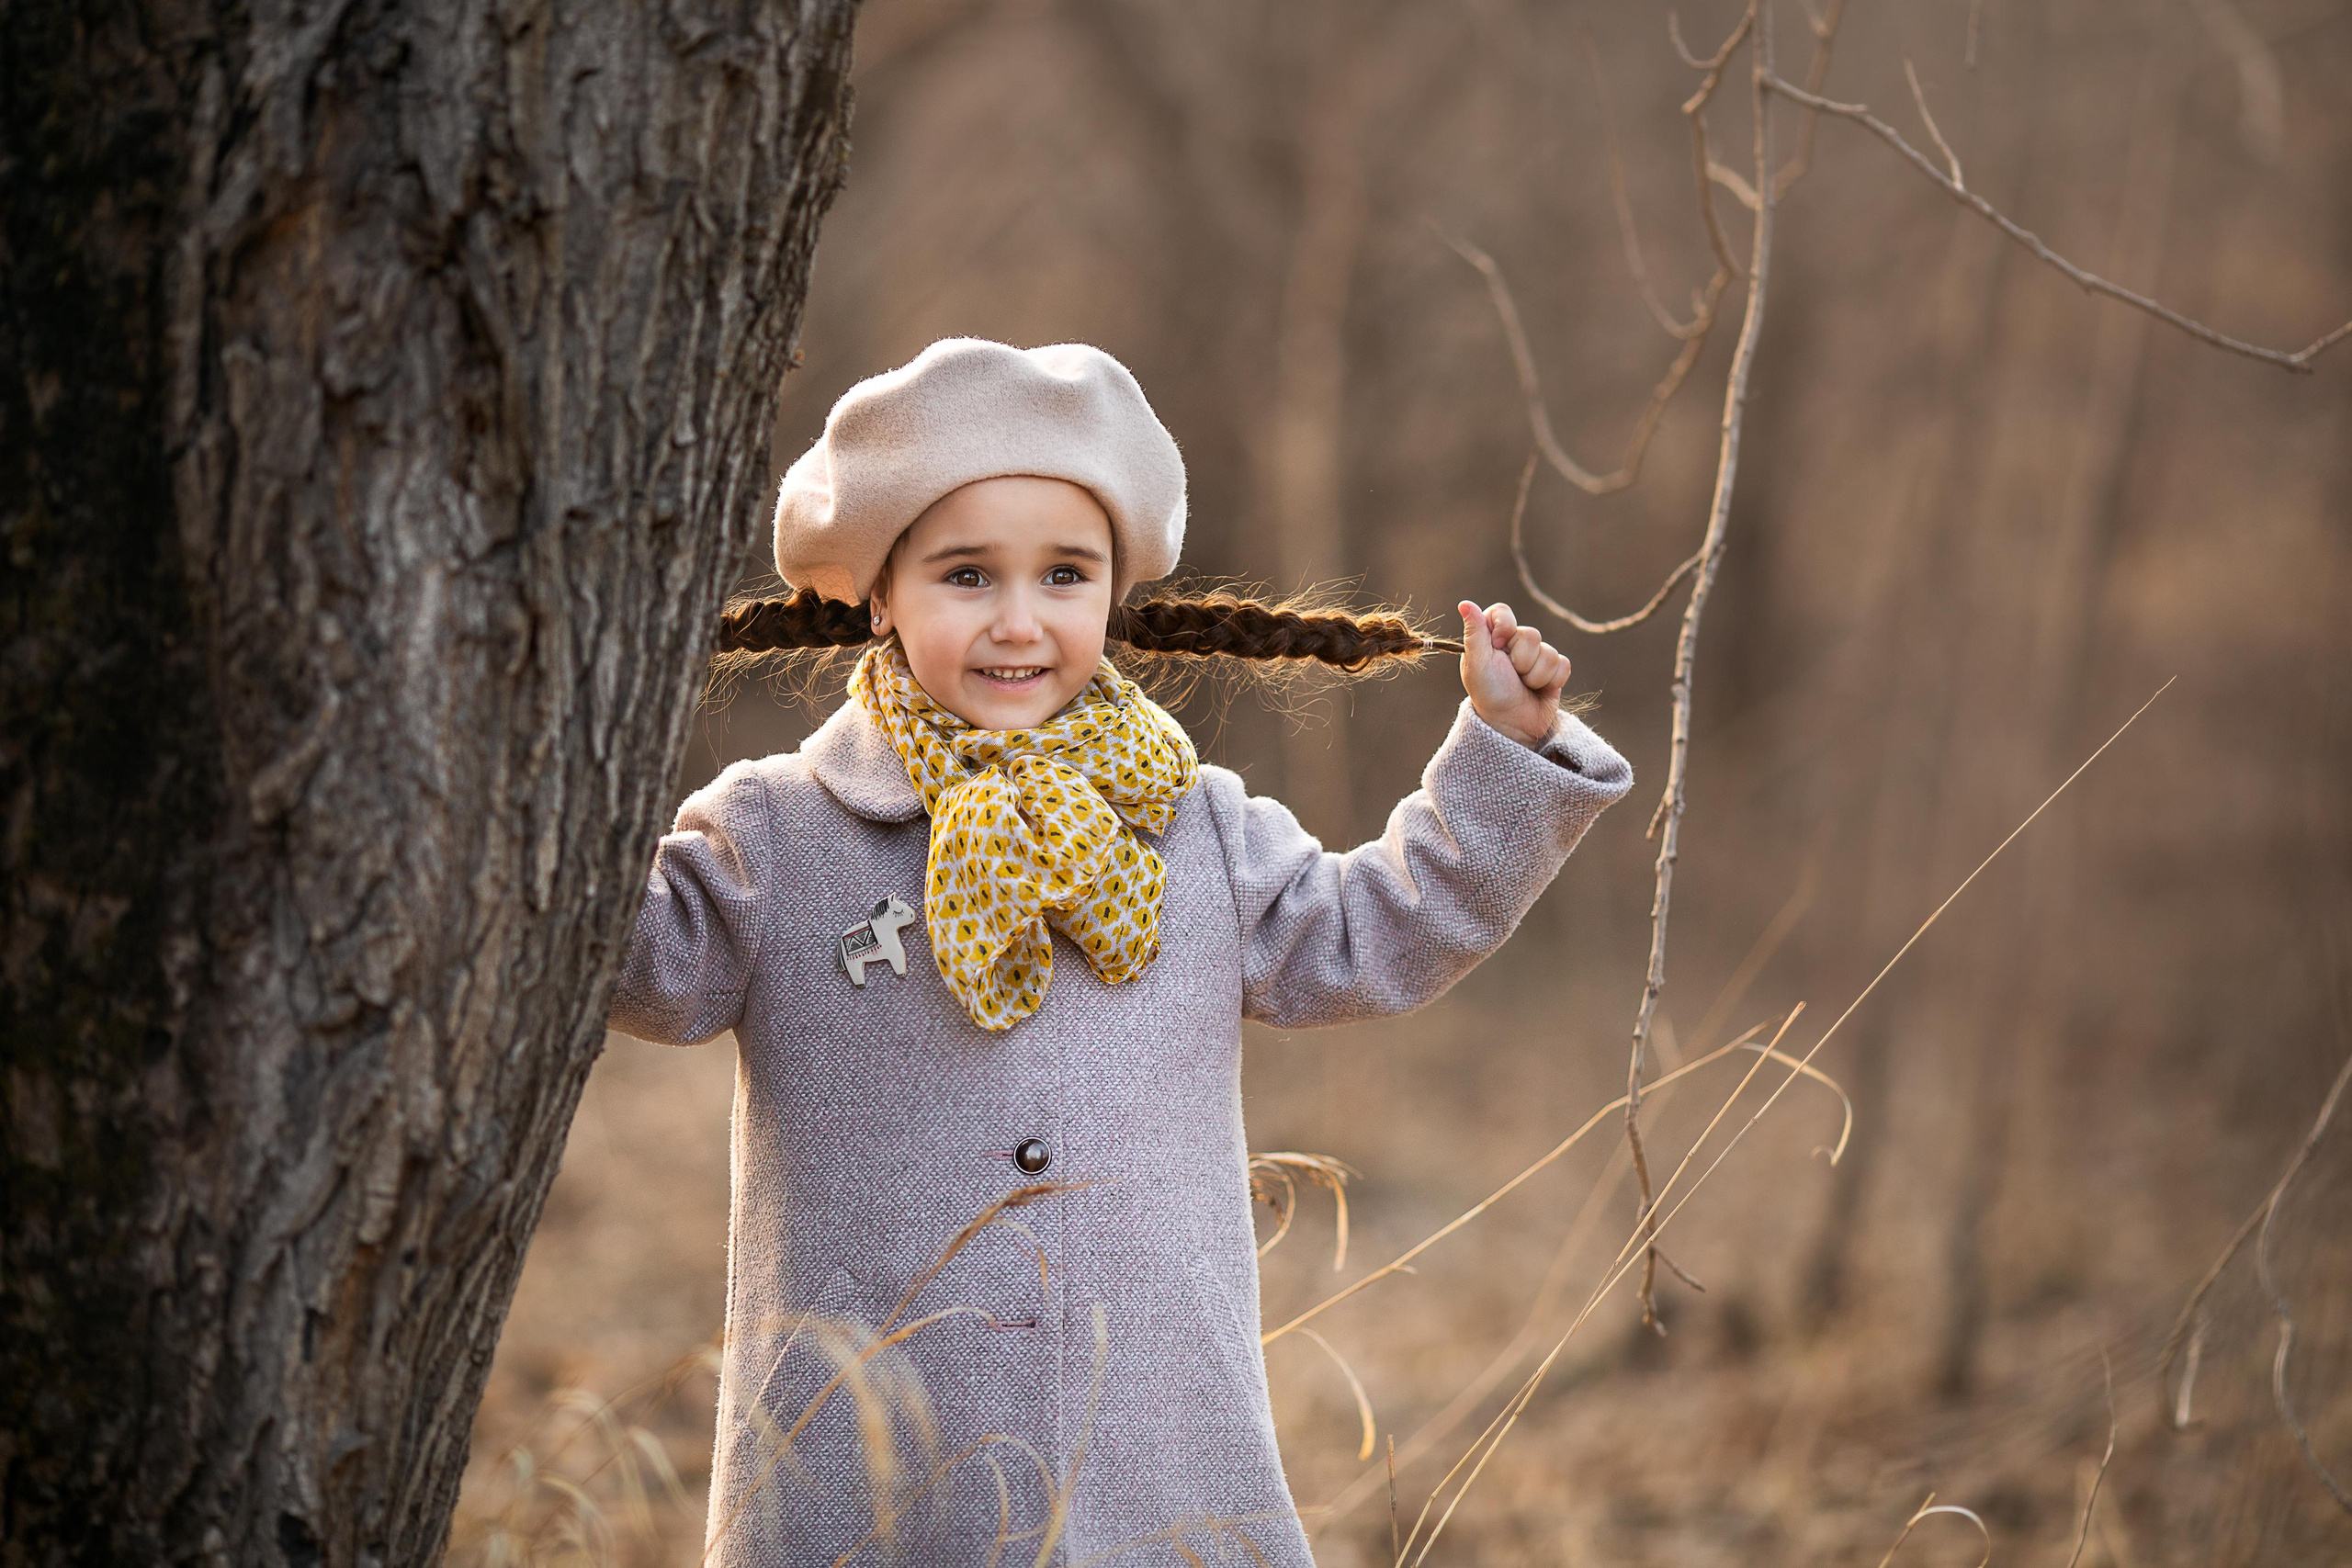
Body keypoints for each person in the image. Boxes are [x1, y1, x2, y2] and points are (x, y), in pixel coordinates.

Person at [610, 337, 1633, 1566]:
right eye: (967, 576)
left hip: (1149, 1463)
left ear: (1113, 592)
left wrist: (1502, 753)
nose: (1019, 621)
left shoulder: (1195, 826)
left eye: (1064, 575)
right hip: (871, 1472)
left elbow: (1379, 932)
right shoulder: (780, 835)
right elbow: (635, 964)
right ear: (880, 593)